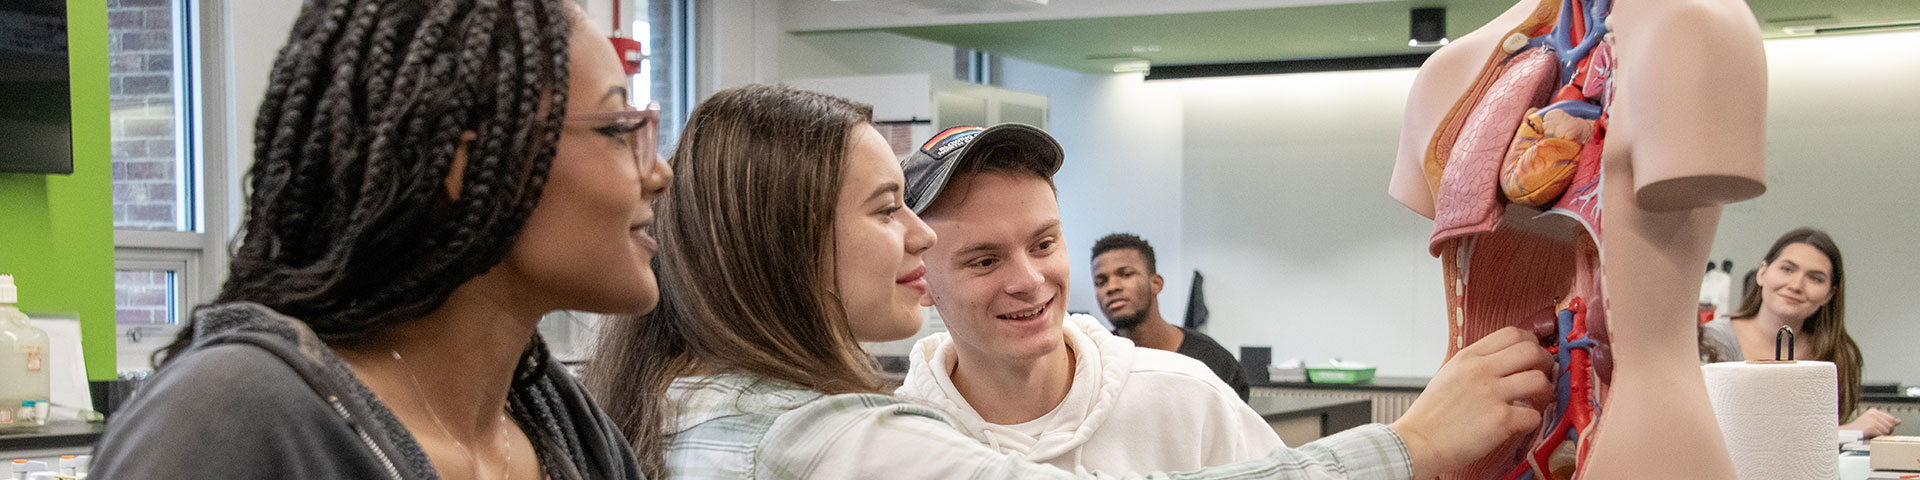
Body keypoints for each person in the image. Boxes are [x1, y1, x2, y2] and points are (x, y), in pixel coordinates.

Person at [586, 83, 1556, 479]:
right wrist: (1413, 443)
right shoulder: (838, 438)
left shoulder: (685, 404)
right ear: (789, 245)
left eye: (1045, 242)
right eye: (888, 212)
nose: (913, 238)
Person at [88, 1, 669, 478]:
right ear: (466, 166)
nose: (659, 173)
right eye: (619, 130)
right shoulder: (228, 422)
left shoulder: (562, 424)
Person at [892, 125, 1276, 473]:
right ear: (919, 280)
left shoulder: (1186, 401)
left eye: (1043, 244)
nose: (1029, 280)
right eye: (986, 261)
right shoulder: (897, 450)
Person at [1701, 228, 1901, 438]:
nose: (1796, 285)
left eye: (1815, 278)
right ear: (1762, 273)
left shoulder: (1838, 355)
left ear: (1829, 294)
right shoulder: (1711, 342)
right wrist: (1846, 432)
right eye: (1787, 269)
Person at [1092, 232, 1249, 400]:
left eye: (1126, 274)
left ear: (1156, 284)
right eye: (1101, 282)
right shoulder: (1096, 360)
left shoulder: (1216, 364)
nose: (1112, 287)